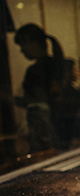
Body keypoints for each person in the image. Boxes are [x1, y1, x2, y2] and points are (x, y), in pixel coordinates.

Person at [13, 23, 65, 153]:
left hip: (42, 126)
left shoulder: (36, 70)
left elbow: (36, 100)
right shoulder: (53, 64)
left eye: (22, 45)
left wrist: (10, 99)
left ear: (32, 43)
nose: (22, 50)